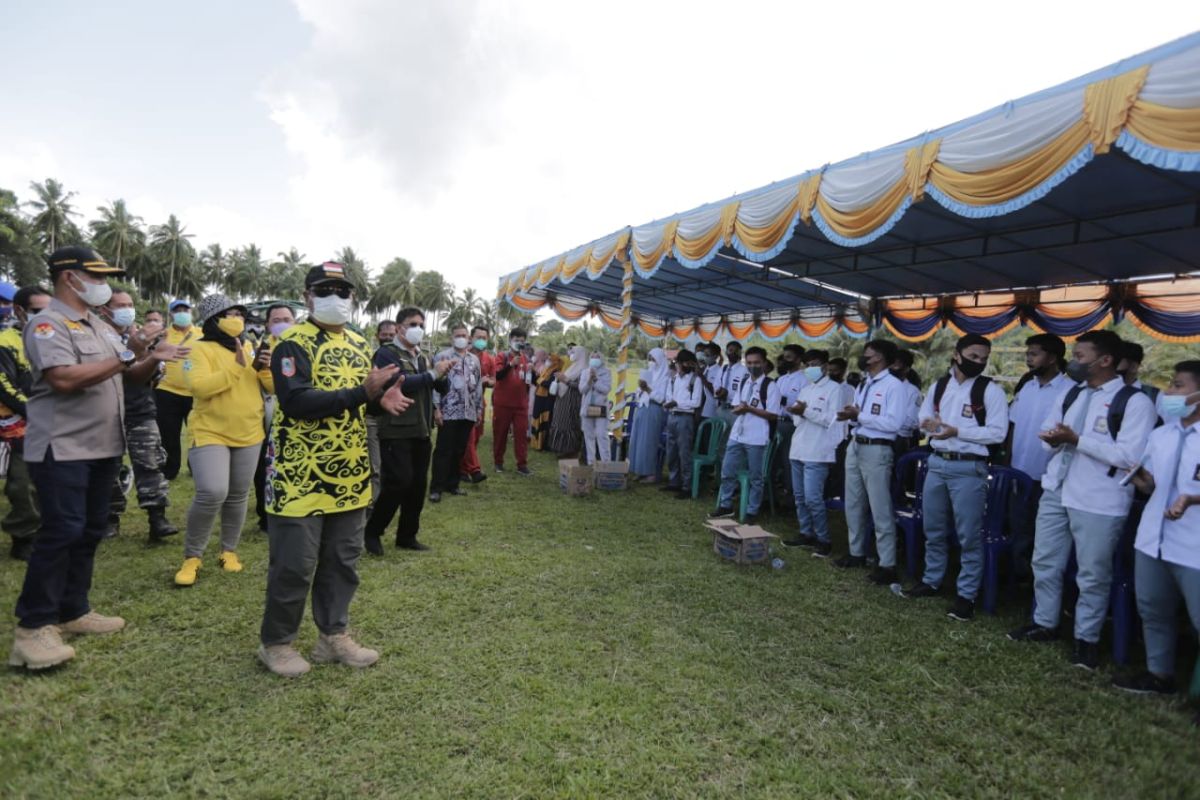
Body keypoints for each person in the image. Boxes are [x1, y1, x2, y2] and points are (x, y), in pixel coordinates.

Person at [9, 246, 185, 671]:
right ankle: (33, 630)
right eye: (98, 276)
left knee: (88, 529)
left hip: (103, 444)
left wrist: (148, 357)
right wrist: (127, 355)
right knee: (61, 531)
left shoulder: (98, 326)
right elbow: (64, 378)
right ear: (71, 278)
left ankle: (73, 610)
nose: (105, 285)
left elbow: (130, 377)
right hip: (63, 447)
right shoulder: (48, 324)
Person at [259, 262, 411, 678]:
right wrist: (362, 392)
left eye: (343, 291)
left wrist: (379, 399)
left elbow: (359, 397)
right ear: (307, 296)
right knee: (295, 563)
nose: (336, 298)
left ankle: (332, 636)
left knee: (343, 560)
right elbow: (296, 402)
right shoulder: (292, 343)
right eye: (325, 290)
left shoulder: (361, 345)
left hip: (348, 471)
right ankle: (277, 643)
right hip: (299, 473)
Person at [1008, 330, 1156, 671]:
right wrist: (1053, 438)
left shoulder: (1134, 402)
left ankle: (1085, 640)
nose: (1074, 361)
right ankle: (1044, 622)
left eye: (1080, 356)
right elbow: (1049, 431)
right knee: (1044, 561)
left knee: (1092, 573)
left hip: (1099, 498)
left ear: (1104, 360)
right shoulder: (1073, 393)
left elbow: (1129, 456)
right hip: (1057, 487)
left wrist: (1076, 439)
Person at [903, 334, 1009, 621]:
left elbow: (998, 433)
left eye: (984, 358)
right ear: (957, 354)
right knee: (933, 528)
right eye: (974, 356)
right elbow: (923, 420)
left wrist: (958, 432)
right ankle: (932, 580)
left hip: (969, 468)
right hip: (936, 463)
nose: (979, 362)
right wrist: (929, 426)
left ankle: (966, 595)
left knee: (968, 535)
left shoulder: (991, 391)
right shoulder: (939, 386)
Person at [173, 294, 273, 586]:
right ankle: (193, 556)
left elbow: (271, 388)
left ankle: (228, 550)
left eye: (240, 314)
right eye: (230, 314)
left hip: (250, 431)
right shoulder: (196, 349)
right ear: (213, 320)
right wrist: (238, 365)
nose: (237, 319)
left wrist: (264, 368)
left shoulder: (251, 348)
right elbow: (200, 388)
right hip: (210, 431)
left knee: (239, 494)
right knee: (212, 491)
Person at [1114, 361, 1200, 699]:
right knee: (1153, 609)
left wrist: (1191, 500)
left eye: (1178, 386)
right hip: (1152, 539)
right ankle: (1159, 675)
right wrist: (1140, 477)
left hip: (1193, 546)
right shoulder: (1161, 435)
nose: (1168, 393)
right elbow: (1151, 486)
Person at [364, 307, 452, 553]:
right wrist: (433, 373)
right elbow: (398, 382)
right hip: (396, 428)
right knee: (397, 482)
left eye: (421, 324)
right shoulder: (386, 354)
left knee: (417, 486)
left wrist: (442, 376)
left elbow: (434, 386)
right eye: (413, 324)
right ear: (400, 327)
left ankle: (407, 536)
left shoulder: (422, 356)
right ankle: (372, 531)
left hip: (421, 429)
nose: (418, 329)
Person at [99, 291, 178, 542]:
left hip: (140, 409)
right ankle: (110, 518)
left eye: (130, 305)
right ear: (105, 310)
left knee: (150, 463)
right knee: (107, 467)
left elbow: (155, 376)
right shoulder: (97, 337)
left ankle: (157, 519)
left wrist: (145, 352)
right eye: (120, 305)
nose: (127, 309)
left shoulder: (145, 337)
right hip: (105, 411)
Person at [835, 339, 905, 584]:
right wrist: (850, 417)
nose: (864, 357)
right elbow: (859, 416)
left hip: (878, 450)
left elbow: (894, 424)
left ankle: (887, 564)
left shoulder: (894, 386)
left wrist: (860, 416)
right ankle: (856, 553)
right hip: (856, 444)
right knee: (853, 503)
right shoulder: (864, 383)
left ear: (880, 358)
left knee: (880, 507)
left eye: (869, 354)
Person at [1006, 333, 1072, 580]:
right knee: (1017, 529)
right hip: (1018, 471)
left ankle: (1037, 585)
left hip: (1047, 476)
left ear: (1053, 358)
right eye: (1028, 353)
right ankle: (1016, 581)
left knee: (1041, 536)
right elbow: (1013, 425)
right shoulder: (1027, 387)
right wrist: (1007, 460)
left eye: (1034, 354)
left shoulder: (1069, 391)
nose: (1028, 359)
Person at [0, 286, 49, 560]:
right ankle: (24, 535)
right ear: (20, 311)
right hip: (20, 422)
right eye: (38, 311)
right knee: (23, 482)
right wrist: (32, 409)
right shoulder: (6, 342)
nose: (45, 317)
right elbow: (3, 384)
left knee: (51, 478)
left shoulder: (54, 338)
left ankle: (47, 527)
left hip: (58, 419)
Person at [782, 349, 840, 557]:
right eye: (807, 365)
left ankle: (823, 538)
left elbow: (831, 420)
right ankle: (806, 532)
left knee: (813, 498)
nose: (810, 369)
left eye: (814, 364)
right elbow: (797, 421)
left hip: (818, 450)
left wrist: (804, 411)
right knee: (799, 496)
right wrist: (798, 413)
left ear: (824, 366)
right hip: (799, 447)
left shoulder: (835, 389)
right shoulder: (806, 389)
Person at [714, 347, 780, 522]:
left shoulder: (770, 386)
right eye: (749, 363)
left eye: (756, 363)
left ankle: (752, 511)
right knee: (727, 470)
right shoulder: (745, 382)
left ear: (764, 363)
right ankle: (726, 505)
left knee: (755, 477)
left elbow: (773, 414)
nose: (753, 366)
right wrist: (740, 409)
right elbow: (736, 406)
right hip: (737, 434)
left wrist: (749, 409)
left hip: (757, 437)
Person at [429, 323, 483, 502]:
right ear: (452, 337)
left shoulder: (474, 359)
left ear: (468, 338)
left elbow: (478, 387)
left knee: (459, 450)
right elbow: (435, 386)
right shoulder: (442, 356)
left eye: (464, 335)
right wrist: (436, 409)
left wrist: (478, 409)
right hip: (448, 411)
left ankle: (453, 484)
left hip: (468, 412)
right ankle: (436, 488)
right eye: (457, 335)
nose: (461, 338)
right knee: (443, 450)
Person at [254, 304, 296, 531]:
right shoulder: (261, 348)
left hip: (296, 415)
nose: (281, 323)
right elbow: (270, 386)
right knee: (265, 468)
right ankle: (264, 513)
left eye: (286, 319)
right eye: (276, 319)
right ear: (268, 324)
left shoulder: (299, 346)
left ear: (295, 322)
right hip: (266, 416)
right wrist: (265, 367)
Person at [155, 298, 202, 481]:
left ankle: (196, 467)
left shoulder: (202, 333)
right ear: (171, 314)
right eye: (178, 310)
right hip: (168, 391)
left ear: (191, 313)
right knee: (169, 434)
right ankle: (170, 470)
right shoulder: (164, 335)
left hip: (195, 392)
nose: (182, 313)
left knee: (197, 433)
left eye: (185, 309)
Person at [661, 350, 705, 496]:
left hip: (685, 417)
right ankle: (674, 482)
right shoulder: (673, 379)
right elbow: (668, 396)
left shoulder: (695, 380)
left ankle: (687, 486)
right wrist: (670, 403)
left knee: (684, 452)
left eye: (689, 363)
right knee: (671, 450)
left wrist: (676, 403)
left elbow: (696, 402)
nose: (685, 365)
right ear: (678, 363)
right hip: (672, 416)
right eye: (683, 362)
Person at [492, 328, 532, 475]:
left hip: (520, 405)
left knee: (521, 435)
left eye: (522, 341)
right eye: (517, 340)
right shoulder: (502, 356)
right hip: (503, 404)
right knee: (500, 434)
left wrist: (531, 371)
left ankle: (522, 465)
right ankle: (498, 462)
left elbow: (528, 382)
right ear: (510, 340)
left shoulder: (526, 359)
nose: (519, 343)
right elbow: (498, 376)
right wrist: (510, 365)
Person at [458, 325, 495, 484]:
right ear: (471, 338)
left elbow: (494, 380)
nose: (481, 340)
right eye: (478, 337)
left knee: (476, 437)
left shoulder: (489, 359)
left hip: (479, 403)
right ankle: (474, 470)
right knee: (468, 438)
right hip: (462, 403)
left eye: (484, 338)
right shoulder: (461, 355)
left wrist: (488, 381)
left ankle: (462, 469)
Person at [629, 348, 669, 482]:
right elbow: (638, 392)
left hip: (654, 409)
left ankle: (650, 473)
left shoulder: (666, 377)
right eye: (649, 359)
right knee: (638, 440)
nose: (651, 362)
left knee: (649, 441)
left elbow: (662, 398)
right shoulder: (648, 373)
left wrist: (648, 389)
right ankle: (640, 470)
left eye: (654, 359)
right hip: (642, 407)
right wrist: (640, 389)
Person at [550, 345, 587, 459]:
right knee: (560, 421)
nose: (571, 354)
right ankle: (562, 448)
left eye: (574, 352)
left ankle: (571, 451)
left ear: (580, 354)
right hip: (562, 398)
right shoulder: (573, 367)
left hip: (572, 400)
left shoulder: (584, 369)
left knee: (569, 423)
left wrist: (566, 380)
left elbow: (581, 387)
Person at [579, 350, 613, 465]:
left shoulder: (606, 372)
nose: (594, 359)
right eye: (592, 357)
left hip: (600, 407)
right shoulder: (584, 372)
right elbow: (582, 390)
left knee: (601, 435)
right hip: (587, 407)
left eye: (597, 357)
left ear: (601, 359)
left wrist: (596, 380)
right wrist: (589, 380)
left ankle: (606, 463)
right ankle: (591, 463)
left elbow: (606, 389)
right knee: (589, 436)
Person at [890, 349, 922, 456]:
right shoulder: (883, 386)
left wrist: (885, 423)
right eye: (891, 364)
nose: (892, 368)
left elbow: (911, 421)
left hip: (899, 439)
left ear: (906, 369)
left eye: (897, 365)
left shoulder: (912, 391)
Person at [530, 352, 563, 450]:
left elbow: (549, 385)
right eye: (547, 359)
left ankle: (544, 444)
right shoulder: (546, 370)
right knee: (536, 418)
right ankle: (536, 443)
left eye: (550, 359)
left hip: (547, 400)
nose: (548, 361)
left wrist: (540, 380)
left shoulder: (556, 372)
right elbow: (536, 382)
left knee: (545, 421)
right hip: (539, 397)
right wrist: (532, 372)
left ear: (555, 362)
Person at [713, 341, 749, 426]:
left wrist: (729, 394)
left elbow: (745, 391)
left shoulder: (744, 370)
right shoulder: (723, 368)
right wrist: (718, 392)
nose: (732, 353)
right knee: (719, 436)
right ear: (726, 352)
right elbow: (716, 385)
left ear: (740, 353)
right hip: (721, 407)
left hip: (734, 410)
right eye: (730, 350)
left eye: (736, 351)